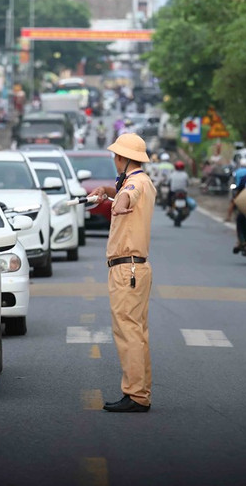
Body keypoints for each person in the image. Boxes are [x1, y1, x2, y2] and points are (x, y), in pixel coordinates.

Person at [87, 133, 155, 413]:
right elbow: (126, 189)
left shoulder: (134, 186)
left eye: (117, 156)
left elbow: (129, 194)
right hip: (135, 268)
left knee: (127, 332)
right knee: (136, 332)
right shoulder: (142, 180)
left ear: (125, 159)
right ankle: (140, 391)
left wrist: (121, 200)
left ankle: (136, 395)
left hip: (126, 268)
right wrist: (108, 190)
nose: (114, 160)